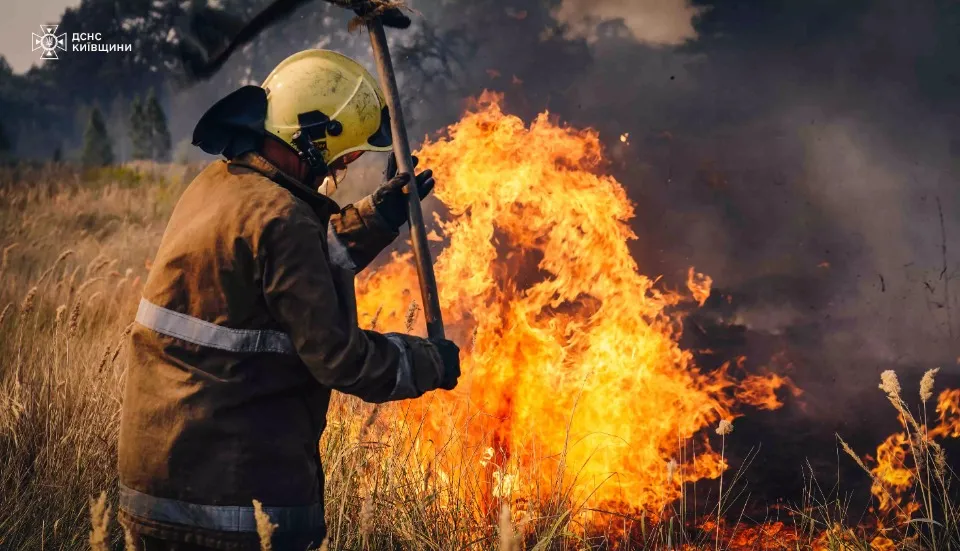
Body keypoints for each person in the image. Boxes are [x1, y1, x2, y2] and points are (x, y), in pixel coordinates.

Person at [117, 49, 460, 551]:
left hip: (159, 482)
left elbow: (286, 268)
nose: (341, 169)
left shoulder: (220, 185)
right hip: (230, 502)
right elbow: (340, 360)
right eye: (343, 157)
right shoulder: (283, 218)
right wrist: (427, 362)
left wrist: (377, 218)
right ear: (313, 140)